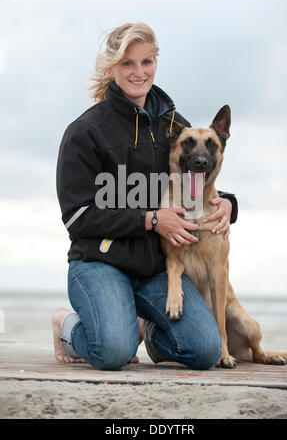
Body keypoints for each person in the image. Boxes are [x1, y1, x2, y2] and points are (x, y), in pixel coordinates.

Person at [52, 22, 238, 370]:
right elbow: (77, 217)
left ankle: (152, 331)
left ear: (155, 63)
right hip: (100, 262)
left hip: (156, 267)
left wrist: (229, 203)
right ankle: (66, 324)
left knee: (205, 351)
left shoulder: (173, 125)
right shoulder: (84, 132)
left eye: (147, 62)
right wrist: (151, 219)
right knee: (113, 352)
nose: (139, 72)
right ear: (111, 68)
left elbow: (197, 173)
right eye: (128, 64)